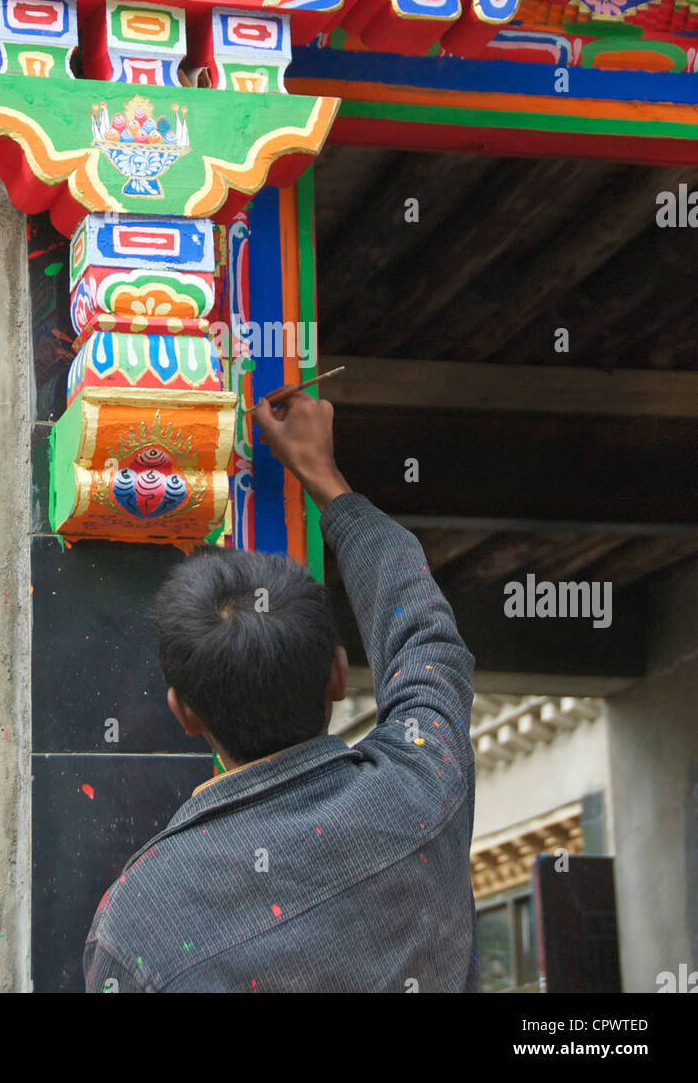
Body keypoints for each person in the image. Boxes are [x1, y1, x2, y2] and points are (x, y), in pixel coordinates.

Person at [84, 392, 478, 993]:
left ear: (183, 712)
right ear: (339, 677)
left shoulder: (137, 926)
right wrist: (323, 475)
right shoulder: (423, 787)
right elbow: (424, 635)